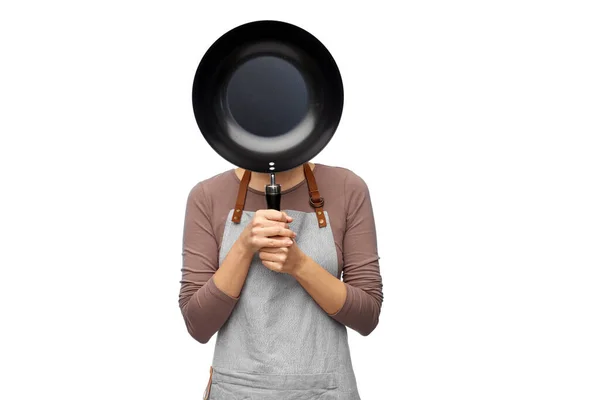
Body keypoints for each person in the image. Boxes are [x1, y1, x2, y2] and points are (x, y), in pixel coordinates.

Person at [178, 161, 383, 399]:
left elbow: (367, 316)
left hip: (325, 391)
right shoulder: (208, 195)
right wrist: (244, 247)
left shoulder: (347, 188)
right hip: (237, 391)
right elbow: (198, 325)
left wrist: (299, 265)